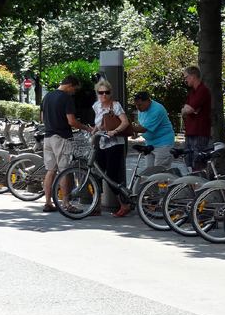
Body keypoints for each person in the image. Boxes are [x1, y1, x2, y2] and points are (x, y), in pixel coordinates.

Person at [40, 75, 94, 213]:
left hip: (48, 137)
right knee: (65, 171)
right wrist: (87, 128)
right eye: (74, 89)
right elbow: (71, 121)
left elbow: (41, 117)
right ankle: (66, 204)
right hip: (62, 137)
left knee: (50, 170)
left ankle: (47, 202)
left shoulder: (47, 96)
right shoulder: (66, 98)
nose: (74, 92)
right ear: (69, 85)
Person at [92, 79, 130, 217]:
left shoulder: (115, 106)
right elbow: (99, 122)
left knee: (111, 176)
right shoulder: (96, 106)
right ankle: (96, 206)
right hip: (101, 143)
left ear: (110, 93)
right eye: (100, 93)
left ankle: (124, 205)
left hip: (114, 144)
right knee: (96, 173)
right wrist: (94, 131)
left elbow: (125, 122)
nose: (103, 95)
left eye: (106, 93)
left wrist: (115, 131)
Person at [131, 91, 175, 169]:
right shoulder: (142, 109)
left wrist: (126, 127)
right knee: (149, 172)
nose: (138, 107)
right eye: (136, 105)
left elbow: (143, 129)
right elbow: (142, 124)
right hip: (150, 143)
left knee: (159, 173)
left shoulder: (157, 110)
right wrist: (135, 132)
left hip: (163, 144)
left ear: (148, 101)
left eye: (140, 105)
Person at [181, 66, 211, 171]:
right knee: (188, 162)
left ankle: (199, 186)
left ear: (193, 76)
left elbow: (188, 109)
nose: (185, 80)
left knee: (198, 163)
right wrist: (189, 109)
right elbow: (184, 110)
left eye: (186, 77)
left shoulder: (202, 90)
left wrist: (189, 109)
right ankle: (192, 186)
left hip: (200, 133)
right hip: (190, 132)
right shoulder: (191, 92)